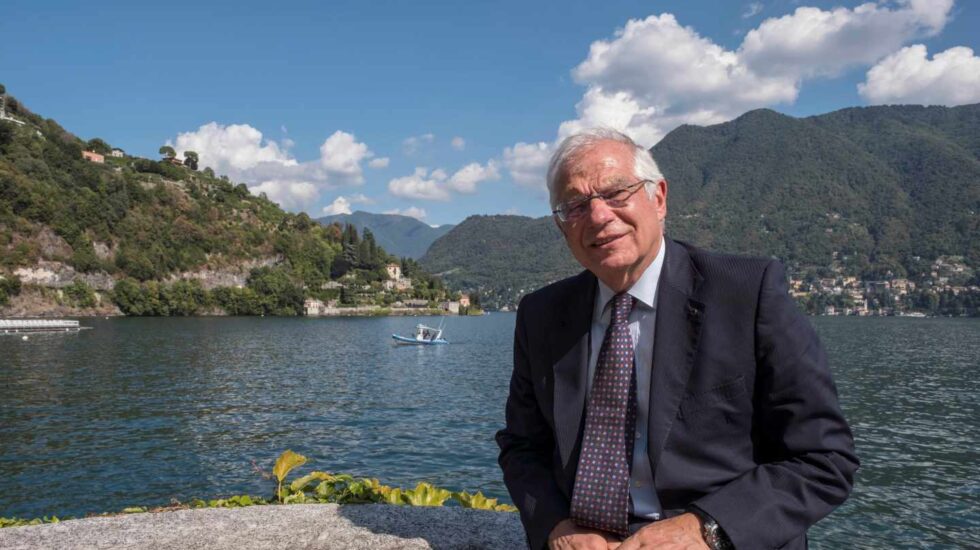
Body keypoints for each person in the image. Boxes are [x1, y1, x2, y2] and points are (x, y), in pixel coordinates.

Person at [496, 128, 858, 550]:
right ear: (562, 227)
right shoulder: (541, 314)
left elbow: (823, 459)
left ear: (659, 198)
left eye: (616, 193)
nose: (598, 216)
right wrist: (557, 526)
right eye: (575, 206)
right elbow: (522, 447)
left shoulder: (747, 293)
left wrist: (707, 529)